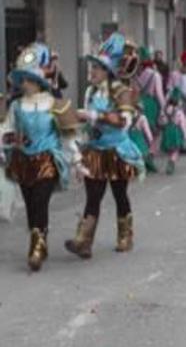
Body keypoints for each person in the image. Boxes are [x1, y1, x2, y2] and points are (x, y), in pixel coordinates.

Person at [0, 43, 86, 271]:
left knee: (40, 202)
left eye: (26, 78)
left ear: (36, 80)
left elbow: (68, 136)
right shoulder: (16, 106)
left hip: (48, 159)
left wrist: (77, 160)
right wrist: (5, 143)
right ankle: (40, 240)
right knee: (30, 205)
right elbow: (5, 130)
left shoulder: (54, 104)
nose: (23, 83)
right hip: (23, 161)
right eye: (21, 79)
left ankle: (36, 249)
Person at [65, 32, 145, 259]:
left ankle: (125, 235)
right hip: (96, 151)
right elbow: (88, 123)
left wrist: (94, 115)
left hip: (117, 151)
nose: (92, 72)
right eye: (93, 67)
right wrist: (80, 142)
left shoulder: (122, 92)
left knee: (120, 195)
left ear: (107, 71)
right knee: (93, 196)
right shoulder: (91, 91)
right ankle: (84, 241)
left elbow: (124, 121)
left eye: (97, 68)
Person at [135, 46, 165, 173]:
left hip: (137, 104)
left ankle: (140, 159)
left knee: (139, 133)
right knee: (153, 134)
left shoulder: (133, 75)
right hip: (151, 105)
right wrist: (163, 110)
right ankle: (149, 160)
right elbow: (159, 94)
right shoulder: (155, 75)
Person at [159, 88, 186, 175]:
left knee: (170, 149)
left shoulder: (165, 110)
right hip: (175, 130)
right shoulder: (179, 112)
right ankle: (172, 161)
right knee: (176, 150)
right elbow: (183, 125)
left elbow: (162, 121)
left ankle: (170, 159)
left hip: (167, 130)